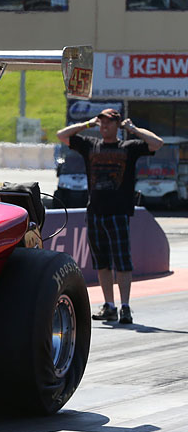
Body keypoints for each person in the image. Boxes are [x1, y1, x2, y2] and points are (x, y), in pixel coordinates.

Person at [56, 108, 163, 325]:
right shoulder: (90, 145)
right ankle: (109, 306)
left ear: (117, 125)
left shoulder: (128, 147)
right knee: (102, 263)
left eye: (109, 122)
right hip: (95, 212)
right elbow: (62, 135)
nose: (104, 126)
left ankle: (125, 307)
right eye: (102, 122)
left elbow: (157, 143)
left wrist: (133, 129)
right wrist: (88, 124)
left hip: (118, 213)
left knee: (122, 262)